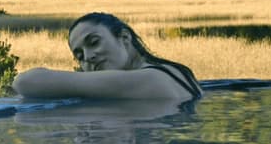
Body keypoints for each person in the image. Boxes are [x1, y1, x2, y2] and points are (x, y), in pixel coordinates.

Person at [12, 12, 202, 102]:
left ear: (124, 37)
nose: (88, 57)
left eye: (94, 42)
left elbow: (25, 82)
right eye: (79, 55)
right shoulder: (178, 71)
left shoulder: (148, 79)